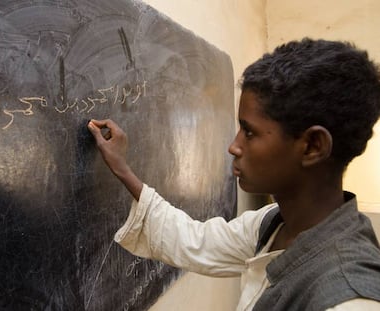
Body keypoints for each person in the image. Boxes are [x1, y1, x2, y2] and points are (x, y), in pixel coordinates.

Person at [87, 38, 380, 310]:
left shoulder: (348, 300)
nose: (233, 146)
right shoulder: (274, 223)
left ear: (312, 146)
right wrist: (124, 171)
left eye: (249, 132)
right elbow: (194, 241)